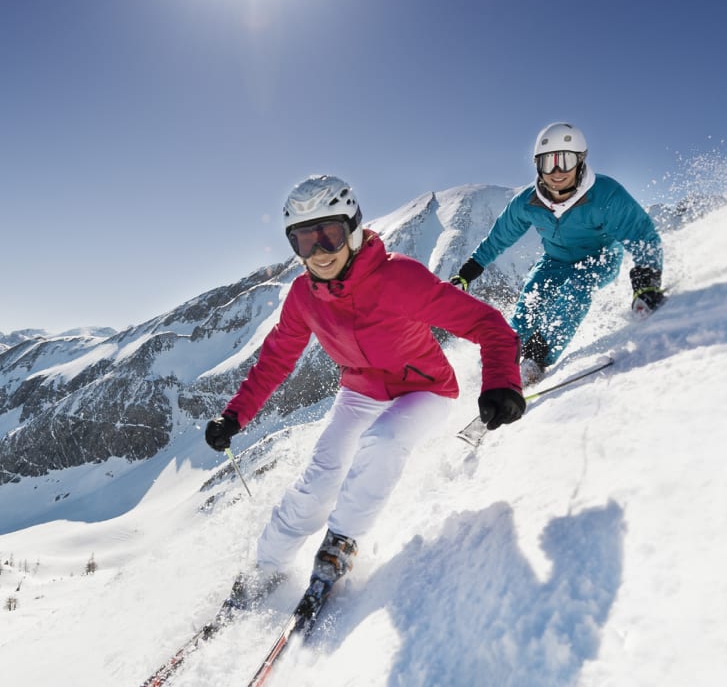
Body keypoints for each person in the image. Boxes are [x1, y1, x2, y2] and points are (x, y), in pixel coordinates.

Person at [204, 174, 524, 604]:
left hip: (425, 390)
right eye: (303, 242)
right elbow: (276, 360)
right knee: (319, 479)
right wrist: (234, 415)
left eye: (329, 237)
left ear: (352, 230)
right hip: (360, 391)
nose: (317, 253)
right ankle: (266, 565)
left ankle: (340, 545)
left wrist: (501, 381)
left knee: (384, 440)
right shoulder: (304, 296)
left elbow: (489, 325)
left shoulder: (399, 279)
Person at [450, 122, 665, 385]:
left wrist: (647, 279)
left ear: (581, 160)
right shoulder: (528, 202)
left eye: (565, 160)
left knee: (577, 288)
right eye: (547, 162)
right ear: (537, 165)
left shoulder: (605, 194)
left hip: (600, 256)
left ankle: (536, 359)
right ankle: (500, 362)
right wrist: (467, 272)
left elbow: (641, 233)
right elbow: (498, 238)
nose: (556, 171)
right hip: (555, 260)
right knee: (530, 300)